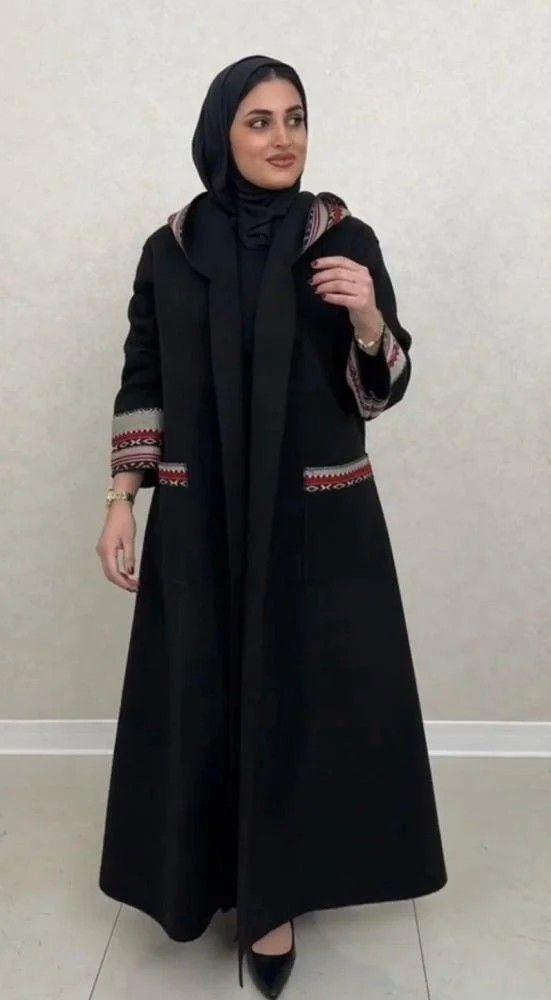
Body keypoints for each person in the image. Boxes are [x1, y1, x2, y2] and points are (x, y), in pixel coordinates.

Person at [96, 54, 448, 998]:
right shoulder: (170, 250)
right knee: (207, 688)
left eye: (295, 117)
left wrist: (368, 318)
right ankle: (209, 876)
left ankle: (277, 900)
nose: (283, 137)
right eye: (259, 121)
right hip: (199, 517)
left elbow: (379, 390)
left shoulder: (344, 237)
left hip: (315, 522)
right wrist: (122, 499)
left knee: (303, 699)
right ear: (222, 133)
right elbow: (143, 373)